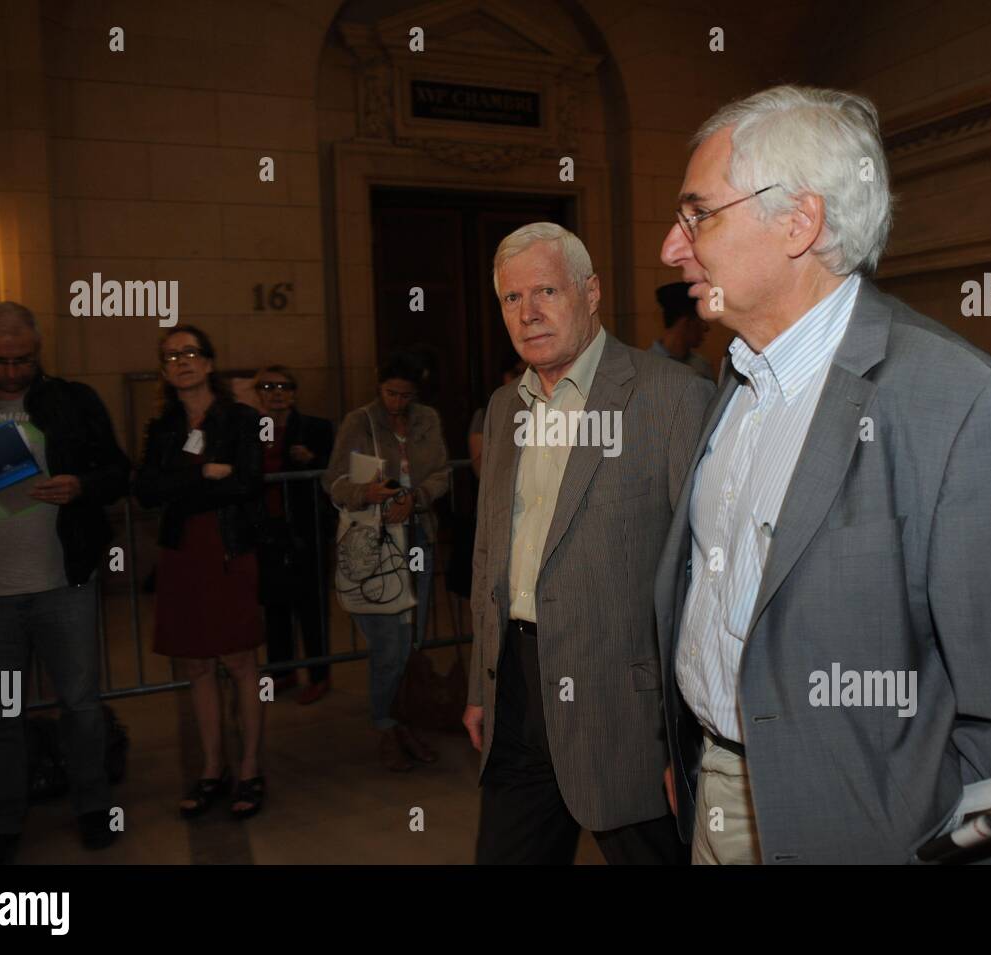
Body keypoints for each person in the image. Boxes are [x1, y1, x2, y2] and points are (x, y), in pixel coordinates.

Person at [654, 84, 991, 864]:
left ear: (799, 221)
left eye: (699, 215)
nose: (671, 246)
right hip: (718, 793)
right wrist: (700, 757)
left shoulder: (965, 407)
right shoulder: (735, 380)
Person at [463, 222, 714, 865]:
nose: (530, 313)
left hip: (627, 714)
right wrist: (479, 685)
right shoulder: (502, 410)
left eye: (546, 289)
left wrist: (687, 737)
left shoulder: (671, 399)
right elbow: (489, 557)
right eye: (512, 299)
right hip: (517, 697)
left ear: (591, 291)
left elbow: (704, 574)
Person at [0, 302, 129, 863]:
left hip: (63, 584)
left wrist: (80, 486)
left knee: (81, 705)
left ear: (39, 351)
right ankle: (4, 818)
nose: (12, 372)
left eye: (23, 360)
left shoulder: (73, 399)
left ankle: (92, 807)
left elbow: (117, 470)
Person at [134, 326, 268, 820]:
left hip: (229, 547)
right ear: (164, 371)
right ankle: (213, 769)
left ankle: (251, 768)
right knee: (195, 665)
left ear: (209, 363)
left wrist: (183, 488)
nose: (181, 362)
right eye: (171, 357)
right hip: (182, 552)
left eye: (190, 353)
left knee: (238, 661)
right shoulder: (163, 426)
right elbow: (146, 490)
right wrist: (203, 474)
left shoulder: (241, 419)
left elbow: (246, 485)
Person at [322, 357, 449, 772]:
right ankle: (387, 724)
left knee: (411, 641)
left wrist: (417, 498)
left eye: (406, 395)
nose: (398, 403)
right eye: (391, 393)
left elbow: (442, 474)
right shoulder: (359, 422)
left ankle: (405, 719)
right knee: (389, 644)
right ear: (379, 388)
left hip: (419, 537)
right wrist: (367, 492)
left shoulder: (427, 419)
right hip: (376, 544)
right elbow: (334, 481)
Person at [253, 365, 334, 705]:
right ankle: (282, 672)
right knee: (274, 605)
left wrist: (313, 459)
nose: (276, 392)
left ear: (294, 392)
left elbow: (336, 467)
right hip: (266, 530)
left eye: (284, 386)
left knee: (311, 605)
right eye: (268, 386)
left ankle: (318, 674)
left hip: (306, 529)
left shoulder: (316, 428)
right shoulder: (250, 430)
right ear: (259, 393)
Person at [649, 282, 715, 381]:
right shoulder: (647, 367)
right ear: (686, 323)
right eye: (701, 321)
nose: (706, 328)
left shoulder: (702, 367)